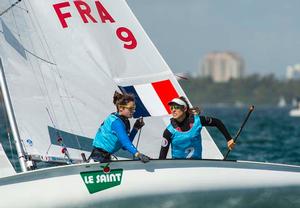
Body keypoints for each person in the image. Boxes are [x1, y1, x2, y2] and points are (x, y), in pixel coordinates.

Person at [159, 96, 235, 159]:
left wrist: (229, 139)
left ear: (184, 109)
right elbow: (162, 157)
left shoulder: (197, 121)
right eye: (171, 108)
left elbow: (217, 122)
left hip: (197, 166)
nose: (173, 110)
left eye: (176, 107)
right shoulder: (169, 131)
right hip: (178, 168)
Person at [89, 91, 150, 163]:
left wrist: (135, 129)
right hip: (98, 157)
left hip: (105, 156)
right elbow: (126, 143)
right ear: (121, 108)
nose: (133, 111)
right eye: (130, 108)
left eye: (134, 108)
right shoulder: (116, 122)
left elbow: (124, 147)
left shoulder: (124, 120)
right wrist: (138, 154)